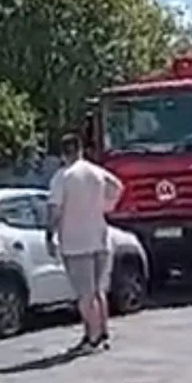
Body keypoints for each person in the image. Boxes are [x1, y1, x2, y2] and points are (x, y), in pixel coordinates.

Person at [46, 133, 124, 353]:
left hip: (75, 241)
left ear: (63, 154)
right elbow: (117, 186)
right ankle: (103, 332)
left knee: (85, 294)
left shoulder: (63, 177)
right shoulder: (97, 172)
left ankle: (92, 338)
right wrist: (108, 206)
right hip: (100, 236)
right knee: (99, 291)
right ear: (80, 150)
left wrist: (49, 233)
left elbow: (55, 209)